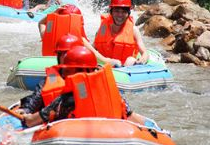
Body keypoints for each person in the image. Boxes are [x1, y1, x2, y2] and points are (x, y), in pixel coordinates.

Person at [20, 46, 167, 134]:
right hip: (114, 137)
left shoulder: (64, 100)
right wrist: (156, 130)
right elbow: (132, 117)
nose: (63, 74)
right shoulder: (113, 95)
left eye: (66, 70)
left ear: (74, 71)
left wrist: (26, 118)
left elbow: (33, 121)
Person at [18, 34, 83, 117]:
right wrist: (27, 109)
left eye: (68, 54)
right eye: (62, 54)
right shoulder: (52, 78)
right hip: (56, 120)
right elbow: (37, 97)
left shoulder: (89, 77)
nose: (67, 57)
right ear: (59, 56)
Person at [84, 0, 149, 67]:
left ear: (128, 13)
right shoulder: (103, 28)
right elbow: (95, 46)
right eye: (117, 11)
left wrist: (142, 60)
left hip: (126, 68)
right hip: (105, 66)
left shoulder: (134, 30)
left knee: (130, 60)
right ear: (111, 12)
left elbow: (144, 52)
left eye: (124, 12)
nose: (120, 15)